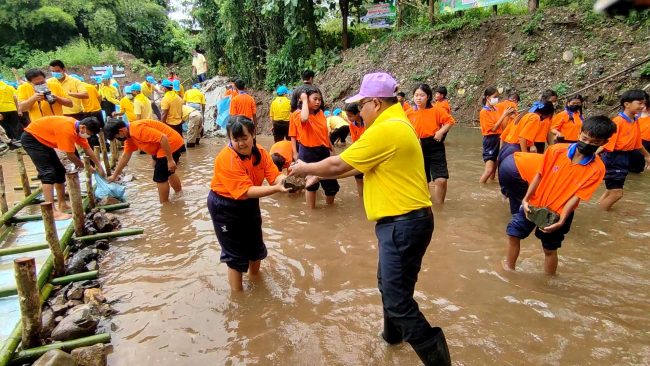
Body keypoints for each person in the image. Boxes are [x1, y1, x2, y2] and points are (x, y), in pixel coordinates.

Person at [289, 72, 451, 366]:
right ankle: (393, 340)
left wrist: (303, 168)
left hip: (402, 223)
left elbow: (339, 162)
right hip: (406, 222)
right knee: (390, 288)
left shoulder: (386, 129)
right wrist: (317, 172)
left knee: (398, 300)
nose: (358, 112)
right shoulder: (397, 123)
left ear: (375, 103)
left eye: (361, 105)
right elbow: (354, 165)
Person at [505, 116, 616, 275]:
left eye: (595, 142)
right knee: (513, 234)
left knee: (549, 249)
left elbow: (576, 197)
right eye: (585, 138)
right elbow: (539, 175)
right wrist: (526, 199)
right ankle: (509, 270)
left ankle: (549, 282)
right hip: (535, 203)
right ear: (579, 134)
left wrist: (562, 220)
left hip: (558, 213)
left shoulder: (597, 169)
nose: (588, 144)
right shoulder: (556, 150)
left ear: (604, 143)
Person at [208, 116, 288, 291]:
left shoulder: (260, 152)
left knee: (255, 246)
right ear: (230, 138)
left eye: (244, 138)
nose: (241, 143)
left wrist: (286, 181)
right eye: (235, 139)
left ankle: (255, 281)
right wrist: (277, 189)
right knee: (235, 255)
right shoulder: (226, 159)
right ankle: (238, 298)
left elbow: (274, 176)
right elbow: (245, 191)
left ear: (253, 134)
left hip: (250, 202)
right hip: (224, 205)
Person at [21, 116, 105, 220]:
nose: (89, 136)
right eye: (89, 133)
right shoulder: (68, 130)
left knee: (60, 172)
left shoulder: (78, 129)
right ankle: (51, 211)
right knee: (48, 173)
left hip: (43, 140)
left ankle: (62, 204)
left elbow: (87, 149)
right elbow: (71, 156)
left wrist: (99, 166)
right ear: (83, 127)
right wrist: (86, 167)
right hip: (32, 139)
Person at [105, 118, 184, 203]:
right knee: (167, 171)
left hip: (169, 143)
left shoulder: (137, 129)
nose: (118, 139)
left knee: (160, 177)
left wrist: (170, 160)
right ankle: (179, 194)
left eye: (117, 137)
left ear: (121, 131)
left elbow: (163, 138)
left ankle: (164, 204)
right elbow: (125, 156)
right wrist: (114, 175)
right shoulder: (129, 136)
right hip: (163, 145)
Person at [598, 90, 650, 211]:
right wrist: (591, 155)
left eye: (644, 103)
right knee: (617, 193)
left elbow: (637, 143)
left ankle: (599, 210)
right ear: (627, 104)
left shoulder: (635, 120)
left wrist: (647, 156)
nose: (643, 106)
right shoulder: (618, 122)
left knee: (610, 191)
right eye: (640, 103)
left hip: (625, 158)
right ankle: (601, 217)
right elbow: (606, 144)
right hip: (614, 158)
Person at [406, 83, 455, 204]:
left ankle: (439, 207)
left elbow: (450, 121)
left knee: (441, 180)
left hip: (435, 145)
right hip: (417, 146)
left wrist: (441, 132)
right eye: (416, 95)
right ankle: (426, 205)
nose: (418, 98)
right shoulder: (408, 113)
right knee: (423, 180)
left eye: (422, 95)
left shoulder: (437, 110)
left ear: (428, 96)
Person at [292, 86, 339, 209]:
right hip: (308, 152)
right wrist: (304, 100)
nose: (318, 102)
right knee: (310, 185)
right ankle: (311, 213)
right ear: (306, 100)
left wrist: (331, 149)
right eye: (315, 99)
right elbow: (304, 118)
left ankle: (330, 210)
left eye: (320, 99)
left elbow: (324, 133)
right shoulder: (298, 114)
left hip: (323, 150)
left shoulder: (321, 113)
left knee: (331, 185)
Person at [479, 87, 515, 183]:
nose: (496, 99)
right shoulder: (484, 112)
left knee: (494, 170)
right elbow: (493, 128)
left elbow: (502, 127)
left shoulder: (496, 109)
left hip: (499, 138)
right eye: (494, 97)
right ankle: (480, 186)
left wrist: (507, 115)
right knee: (489, 170)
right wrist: (504, 114)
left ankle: (490, 186)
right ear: (487, 97)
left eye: (497, 97)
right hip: (490, 140)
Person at [344, 102, 366, 197]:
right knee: (358, 178)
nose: (349, 118)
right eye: (347, 116)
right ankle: (361, 199)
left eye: (351, 116)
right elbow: (354, 141)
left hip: (369, 151)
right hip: (360, 153)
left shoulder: (368, 122)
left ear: (358, 113)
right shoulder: (352, 125)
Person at [0, 79, 24, 143]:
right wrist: (19, 110)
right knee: (15, 125)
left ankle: (10, 141)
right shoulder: (10, 87)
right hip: (13, 109)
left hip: (2, 110)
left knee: (5, 126)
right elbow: (15, 98)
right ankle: (19, 139)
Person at [629, 103, 650, 173]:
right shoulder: (636, 115)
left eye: (644, 106)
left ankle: (638, 170)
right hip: (635, 138)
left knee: (640, 157)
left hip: (646, 140)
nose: (642, 107)